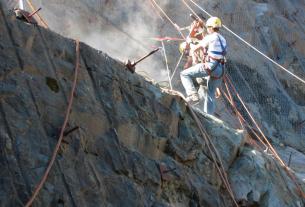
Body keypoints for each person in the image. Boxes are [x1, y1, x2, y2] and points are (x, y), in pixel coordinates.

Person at [180, 17, 227, 115]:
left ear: (211, 28)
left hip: (211, 66)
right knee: (210, 94)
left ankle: (192, 94)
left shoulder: (210, 37)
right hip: (221, 70)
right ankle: (209, 116)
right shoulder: (223, 39)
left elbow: (195, 49)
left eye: (208, 27)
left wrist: (189, 43)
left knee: (184, 74)